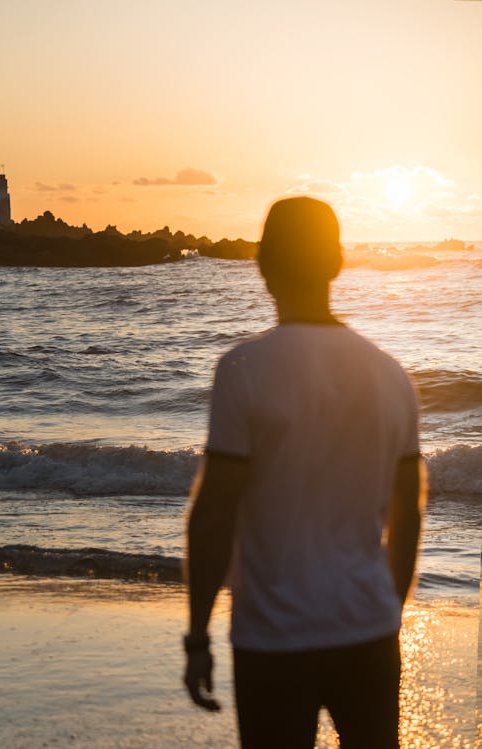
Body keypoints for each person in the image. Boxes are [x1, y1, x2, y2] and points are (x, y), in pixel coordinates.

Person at [183, 196, 426, 749]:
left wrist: (198, 637)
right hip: (368, 631)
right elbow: (407, 517)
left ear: (263, 263)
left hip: (273, 637)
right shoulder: (392, 377)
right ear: (337, 262)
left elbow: (214, 511)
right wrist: (387, 612)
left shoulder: (244, 369)